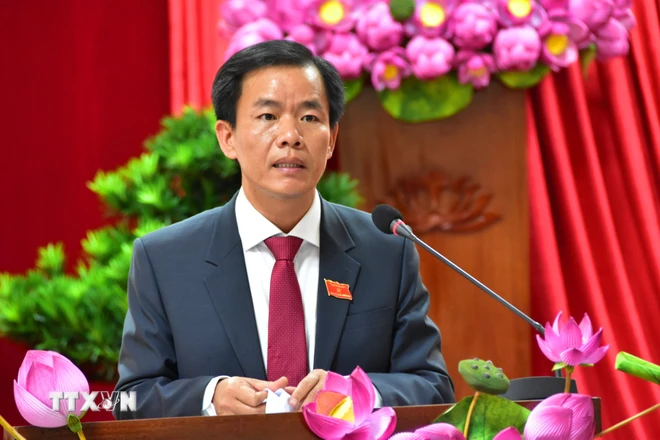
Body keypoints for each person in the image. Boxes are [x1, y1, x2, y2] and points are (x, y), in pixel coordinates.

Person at [113, 40, 454, 419]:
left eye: (309, 117)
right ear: (227, 138)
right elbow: (129, 401)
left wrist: (355, 392)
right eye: (267, 116)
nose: (290, 135)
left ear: (332, 139)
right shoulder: (165, 259)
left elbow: (433, 387)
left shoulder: (386, 249)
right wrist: (209, 398)